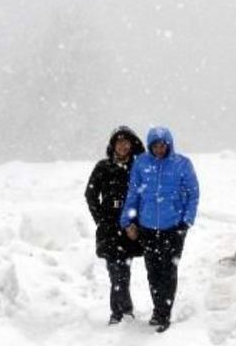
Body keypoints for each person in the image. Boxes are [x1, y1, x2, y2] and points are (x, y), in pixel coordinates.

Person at [120, 126, 200, 333]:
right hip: (147, 228)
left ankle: (164, 312)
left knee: (168, 271)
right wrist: (127, 221)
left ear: (169, 144)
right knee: (153, 271)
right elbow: (133, 194)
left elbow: (193, 194)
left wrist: (186, 221)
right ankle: (158, 309)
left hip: (173, 228)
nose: (159, 149)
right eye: (155, 145)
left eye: (163, 145)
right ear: (150, 146)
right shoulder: (141, 163)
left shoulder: (182, 164)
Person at [85, 125, 146, 325]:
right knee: (115, 270)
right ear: (113, 146)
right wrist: (100, 219)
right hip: (109, 225)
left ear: (131, 145)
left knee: (123, 270)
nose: (122, 146)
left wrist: (138, 221)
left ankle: (122, 311)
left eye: (126, 142)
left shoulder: (137, 167)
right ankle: (120, 311)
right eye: (119, 142)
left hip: (129, 224)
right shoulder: (103, 166)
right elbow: (90, 194)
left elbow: (144, 195)